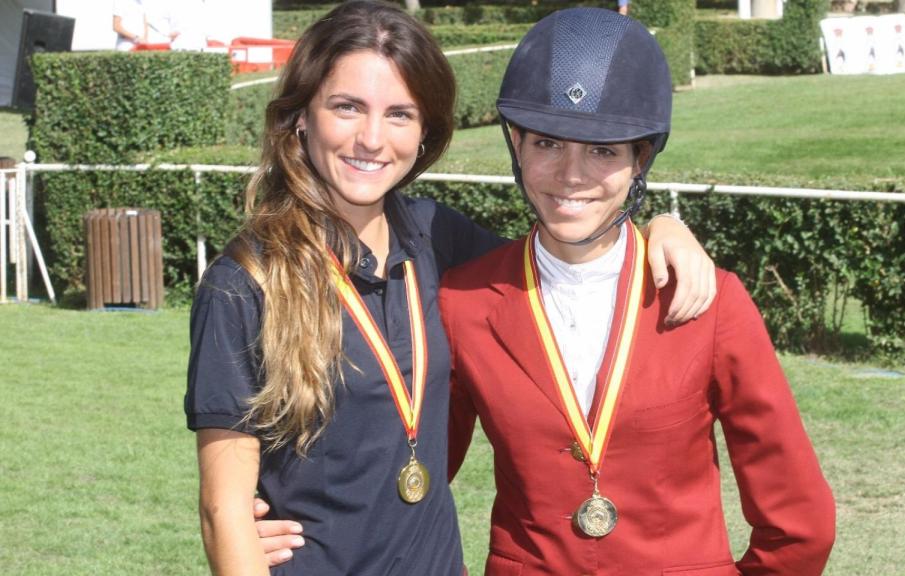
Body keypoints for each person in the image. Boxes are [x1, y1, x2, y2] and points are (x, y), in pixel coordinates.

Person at [256, 7, 835, 576]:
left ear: (642, 159)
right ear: (517, 145)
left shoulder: (711, 301)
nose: (571, 175)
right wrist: (286, 510)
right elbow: (414, 470)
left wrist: (669, 223)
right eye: (547, 144)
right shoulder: (466, 301)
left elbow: (800, 520)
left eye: (603, 151)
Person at [186, 2, 715, 574]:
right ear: (301, 117)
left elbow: (562, 261)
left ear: (424, 132)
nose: (371, 138)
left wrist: (661, 226)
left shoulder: (437, 234)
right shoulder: (244, 284)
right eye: (346, 107)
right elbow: (224, 508)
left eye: (399, 114)